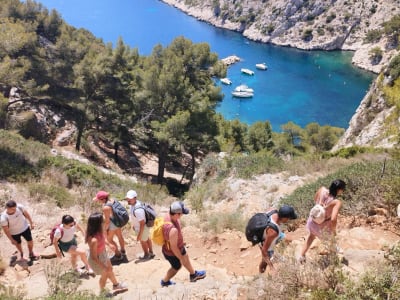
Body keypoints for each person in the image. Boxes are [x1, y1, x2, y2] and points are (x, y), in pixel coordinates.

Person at [299, 179, 347, 262]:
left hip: (312, 220)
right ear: (339, 190)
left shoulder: (322, 190)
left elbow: (315, 199)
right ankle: (334, 261)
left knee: (311, 236)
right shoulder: (336, 202)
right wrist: (333, 230)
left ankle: (301, 256)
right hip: (322, 226)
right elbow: (333, 219)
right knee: (331, 241)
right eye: (343, 189)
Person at [160, 201, 206, 287]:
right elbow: (174, 247)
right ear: (177, 214)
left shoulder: (168, 215)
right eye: (181, 214)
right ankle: (164, 281)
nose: (182, 215)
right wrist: (180, 258)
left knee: (186, 256)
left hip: (178, 247)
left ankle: (193, 274)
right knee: (176, 267)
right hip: (172, 252)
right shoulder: (172, 229)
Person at [85, 212, 128, 296]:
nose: (105, 220)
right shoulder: (93, 240)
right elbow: (94, 257)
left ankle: (116, 285)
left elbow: (103, 239)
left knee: (110, 269)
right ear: (98, 224)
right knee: (105, 274)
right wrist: (103, 266)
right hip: (97, 259)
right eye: (102, 220)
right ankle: (103, 292)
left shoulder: (99, 231)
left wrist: (109, 245)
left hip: (103, 253)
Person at [258, 205, 298, 274]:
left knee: (288, 239)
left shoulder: (274, 211)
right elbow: (264, 250)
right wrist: (272, 268)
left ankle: (278, 252)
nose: (289, 220)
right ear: (284, 218)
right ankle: (261, 275)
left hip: (273, 231)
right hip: (265, 238)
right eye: (289, 218)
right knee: (265, 260)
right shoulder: (272, 232)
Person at [93, 191, 127, 263]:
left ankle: (118, 256)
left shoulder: (106, 207)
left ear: (103, 199)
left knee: (109, 240)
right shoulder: (112, 200)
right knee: (120, 236)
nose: (98, 201)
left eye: (99, 200)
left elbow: (107, 221)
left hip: (112, 224)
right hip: (117, 221)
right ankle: (123, 251)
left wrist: (105, 230)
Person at [125, 190, 155, 260]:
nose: (128, 200)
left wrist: (139, 235)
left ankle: (146, 254)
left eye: (130, 198)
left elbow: (142, 223)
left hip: (142, 228)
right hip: (141, 227)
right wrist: (134, 225)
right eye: (127, 198)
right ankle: (151, 252)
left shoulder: (138, 209)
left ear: (135, 198)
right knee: (147, 238)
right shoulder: (135, 204)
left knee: (142, 241)